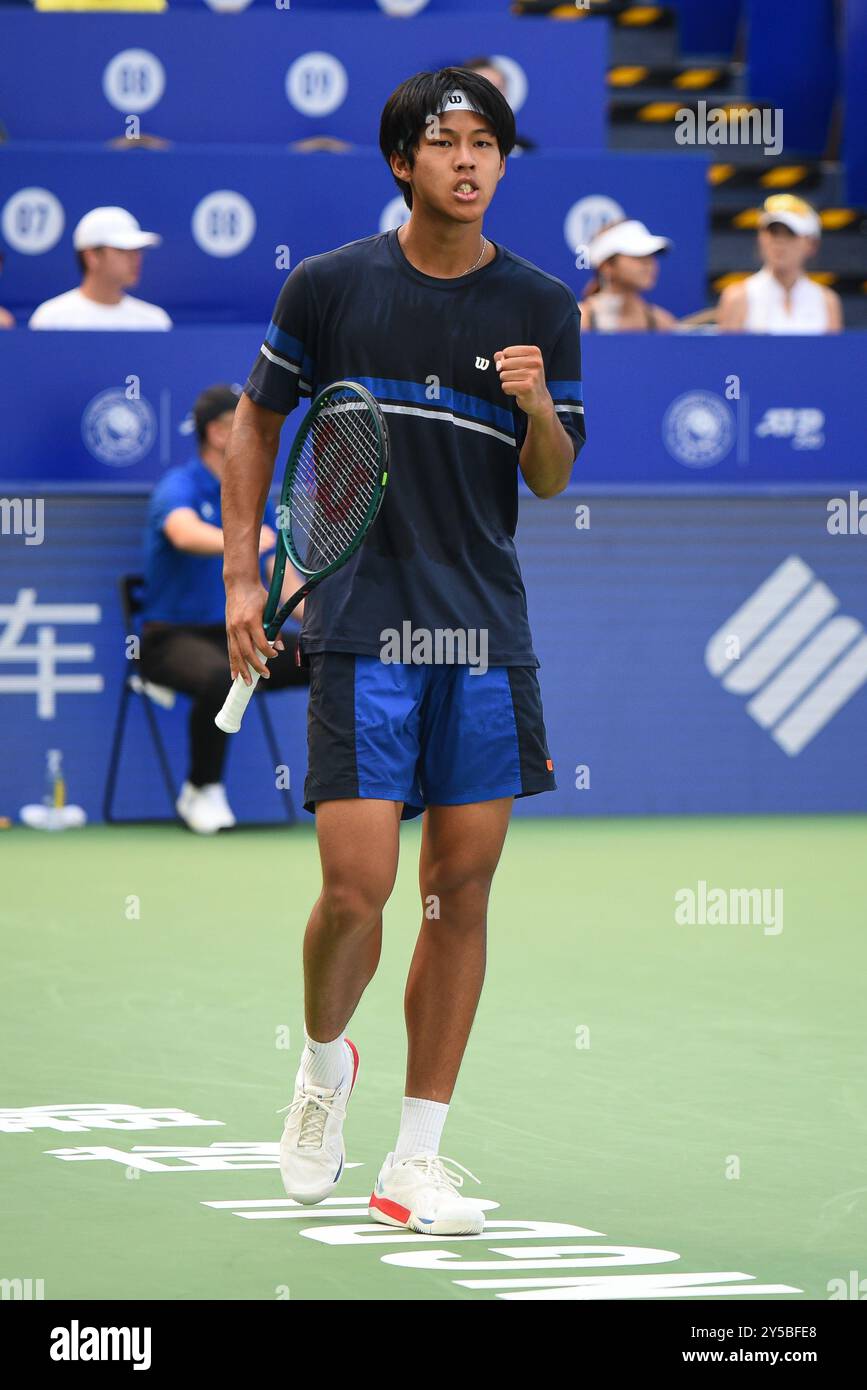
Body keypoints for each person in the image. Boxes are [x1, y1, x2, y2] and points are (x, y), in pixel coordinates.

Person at [221, 68, 585, 1235]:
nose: (471, 163)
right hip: (363, 626)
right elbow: (257, 425)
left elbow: (553, 474)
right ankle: (325, 1065)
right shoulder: (329, 286)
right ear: (401, 162)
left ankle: (416, 1158)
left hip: (483, 633)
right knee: (355, 889)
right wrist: (243, 573)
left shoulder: (542, 304)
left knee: (458, 894)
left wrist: (536, 408)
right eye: (448, 144)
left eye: (490, 146)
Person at [139, 384, 308, 835]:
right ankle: (202, 788)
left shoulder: (256, 498)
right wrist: (241, 543)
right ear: (217, 433)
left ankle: (348, 786)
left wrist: (325, 625)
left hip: (244, 634)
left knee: (326, 657)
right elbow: (183, 533)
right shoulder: (179, 485)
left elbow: (284, 584)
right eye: (246, 422)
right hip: (168, 640)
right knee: (220, 674)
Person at [29, 206, 172, 331]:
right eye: (123, 250)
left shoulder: (155, 322)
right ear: (91, 257)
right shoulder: (50, 319)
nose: (136, 259)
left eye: (137, 250)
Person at [717, 194, 843, 334]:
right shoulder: (737, 298)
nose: (779, 242)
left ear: (811, 244)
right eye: (773, 232)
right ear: (760, 238)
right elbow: (727, 354)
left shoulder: (827, 301)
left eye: (790, 234)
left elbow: (832, 354)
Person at [580, 218, 677, 332]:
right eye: (637, 256)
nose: (649, 264)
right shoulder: (579, 321)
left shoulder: (663, 323)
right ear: (606, 267)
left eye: (651, 256)